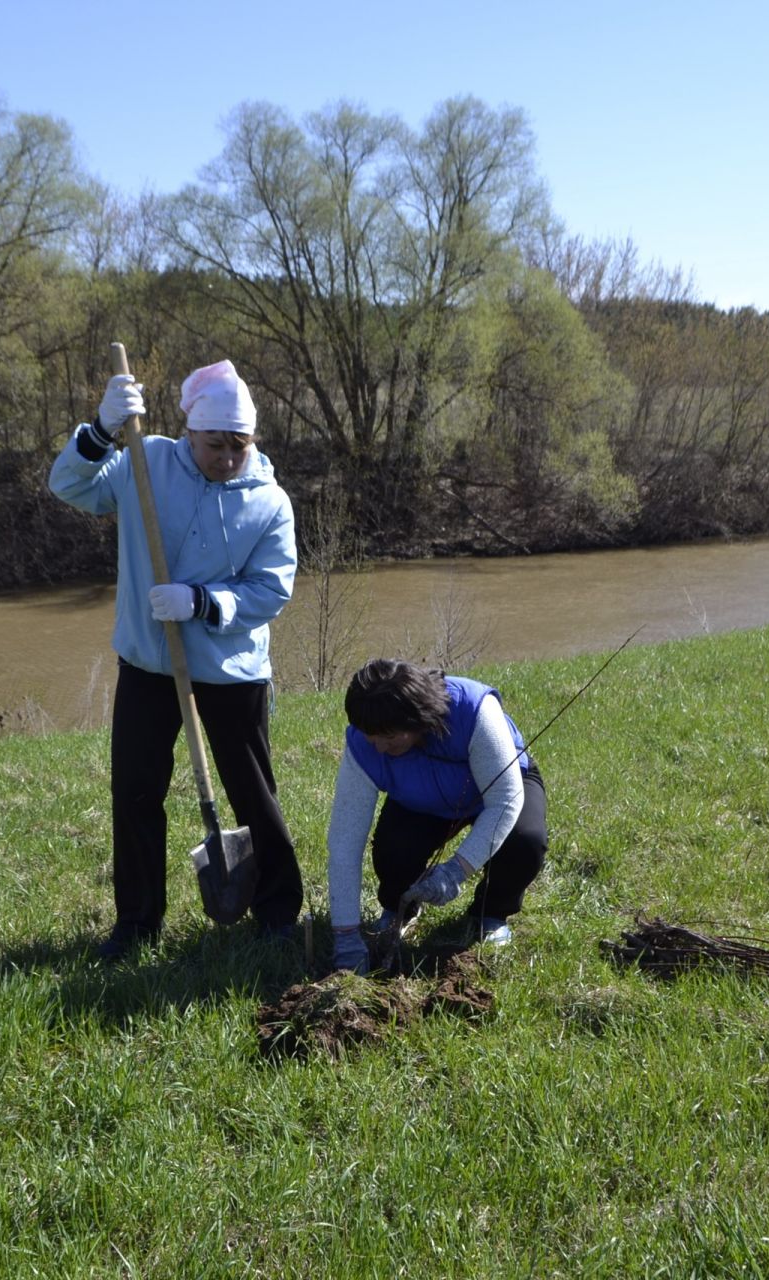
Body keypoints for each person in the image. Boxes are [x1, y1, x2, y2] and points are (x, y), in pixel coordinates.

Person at [49, 360, 302, 960]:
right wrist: (99, 432)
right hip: (146, 663)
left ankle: (277, 911)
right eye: (216, 443)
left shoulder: (269, 502)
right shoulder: (147, 462)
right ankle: (137, 923)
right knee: (136, 792)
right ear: (191, 434)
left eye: (239, 445)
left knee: (252, 791)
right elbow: (70, 485)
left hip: (229, 670)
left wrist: (203, 602)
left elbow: (273, 589)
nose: (226, 456)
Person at [326, 659, 548, 974]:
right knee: (393, 849)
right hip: (420, 801)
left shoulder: (473, 709)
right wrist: (345, 933)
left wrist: (456, 871)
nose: (378, 747)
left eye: (390, 737)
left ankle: (491, 913)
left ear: (417, 720)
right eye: (370, 736)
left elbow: (504, 800)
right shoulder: (364, 745)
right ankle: (400, 908)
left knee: (526, 842)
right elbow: (345, 840)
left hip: (495, 791)